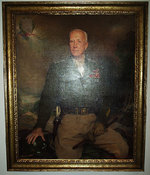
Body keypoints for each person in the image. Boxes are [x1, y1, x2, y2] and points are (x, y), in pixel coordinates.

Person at [26, 29, 129, 159]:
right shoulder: (57, 68)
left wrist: (102, 121)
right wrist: (39, 126)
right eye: (71, 41)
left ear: (86, 45)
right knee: (67, 161)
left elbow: (106, 98)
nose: (74, 45)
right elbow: (47, 98)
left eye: (78, 41)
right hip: (69, 123)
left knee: (122, 148)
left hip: (93, 121)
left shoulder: (97, 68)